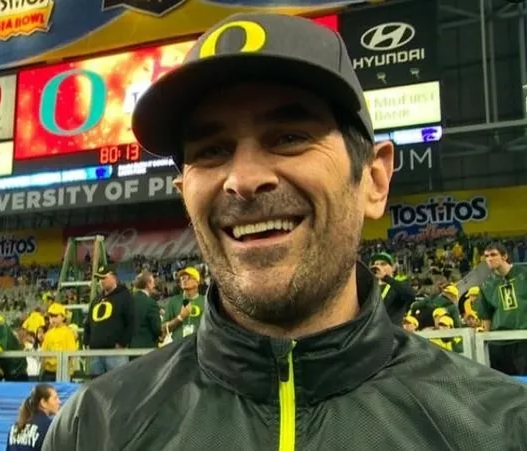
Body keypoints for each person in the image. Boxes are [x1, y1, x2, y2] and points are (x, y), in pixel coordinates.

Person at [43, 13, 527, 450]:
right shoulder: (95, 428)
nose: (244, 179)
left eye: (290, 138)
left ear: (374, 180)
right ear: (183, 193)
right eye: (211, 150)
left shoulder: (500, 429)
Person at [476, 242, 527, 375]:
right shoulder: (487, 284)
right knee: (504, 383)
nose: (489, 259)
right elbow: (486, 316)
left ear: (504, 256)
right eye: (486, 256)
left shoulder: (524, 274)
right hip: (499, 343)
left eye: (493, 254)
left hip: (523, 340)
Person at [83, 265, 134, 377]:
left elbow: (131, 322)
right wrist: (86, 341)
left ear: (114, 277)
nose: (101, 281)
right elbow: (88, 323)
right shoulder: (96, 300)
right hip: (96, 353)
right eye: (99, 279)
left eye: (104, 277)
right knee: (96, 386)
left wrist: (122, 343)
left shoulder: (125, 297)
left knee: (117, 385)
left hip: (115, 353)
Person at [6, 384, 61, 451]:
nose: (59, 402)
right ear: (43, 402)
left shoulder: (15, 426)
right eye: (55, 398)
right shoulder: (49, 426)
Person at [369, 251, 416, 324]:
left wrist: (386, 277)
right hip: (374, 332)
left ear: (393, 268)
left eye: (383, 264)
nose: (378, 267)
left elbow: (411, 294)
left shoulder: (398, 285)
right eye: (376, 264)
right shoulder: (371, 288)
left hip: (392, 332)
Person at [160, 267, 205, 342]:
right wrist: (180, 318)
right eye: (181, 278)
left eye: (187, 277)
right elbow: (163, 328)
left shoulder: (206, 301)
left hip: (199, 345)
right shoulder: (173, 301)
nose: (183, 280)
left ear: (197, 282)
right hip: (178, 346)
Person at [40, 303, 78, 381]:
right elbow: (43, 352)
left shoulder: (68, 333)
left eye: (55, 316)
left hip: (63, 371)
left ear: (63, 317)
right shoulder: (48, 334)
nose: (52, 319)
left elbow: (71, 353)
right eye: (51, 316)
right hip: (48, 372)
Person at [130, 270, 161, 351]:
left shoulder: (127, 301)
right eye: (153, 282)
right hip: (147, 348)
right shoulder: (150, 303)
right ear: (148, 284)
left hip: (130, 348)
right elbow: (157, 329)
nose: (154, 285)